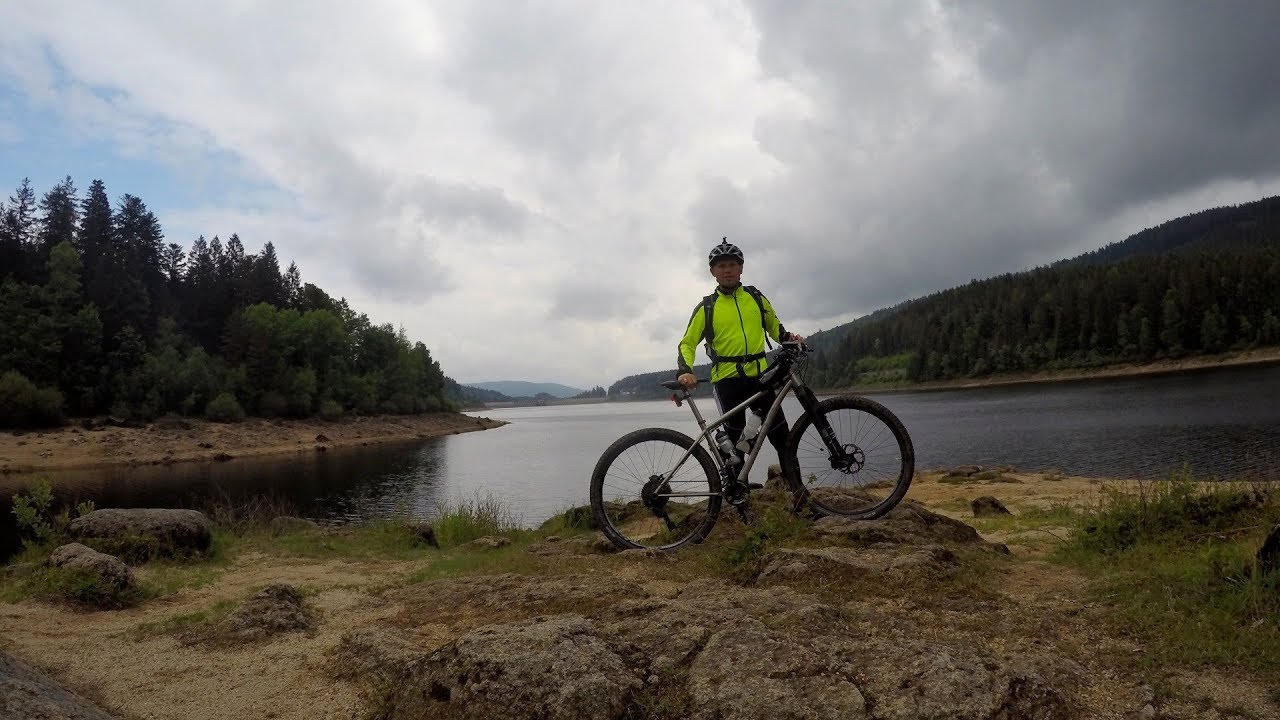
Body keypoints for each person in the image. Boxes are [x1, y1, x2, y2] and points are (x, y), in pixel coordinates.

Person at [677, 238, 805, 487]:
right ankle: (737, 494)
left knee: (781, 436)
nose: (727, 270)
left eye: (732, 264)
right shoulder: (707, 307)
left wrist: (792, 339)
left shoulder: (755, 297)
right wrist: (685, 371)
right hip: (727, 381)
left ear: (741, 268)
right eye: (721, 266)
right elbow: (687, 344)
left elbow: (777, 331)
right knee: (734, 442)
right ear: (713, 272)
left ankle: (799, 493)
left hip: (762, 379)